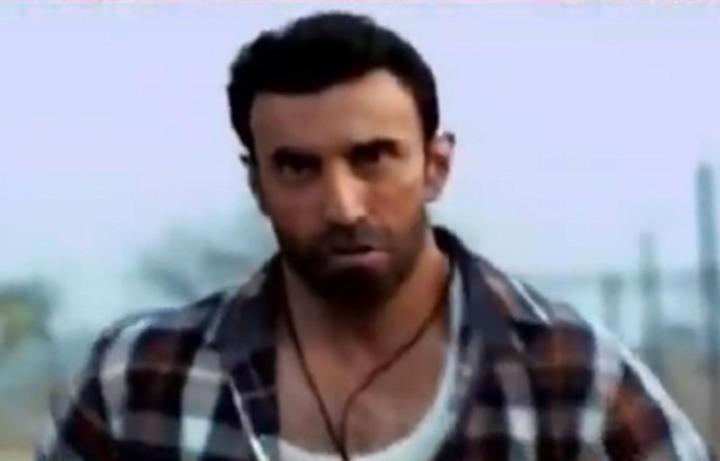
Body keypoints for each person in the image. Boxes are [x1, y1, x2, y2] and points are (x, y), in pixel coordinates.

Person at [38, 11, 714, 461]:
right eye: (297, 167)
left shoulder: (572, 379)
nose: (342, 205)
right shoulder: (142, 380)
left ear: (436, 166)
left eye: (373, 158)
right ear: (258, 185)